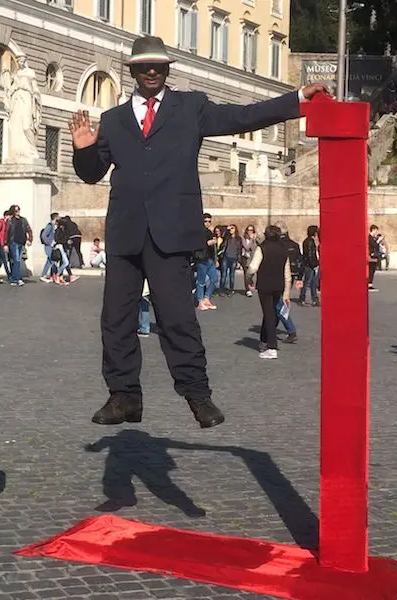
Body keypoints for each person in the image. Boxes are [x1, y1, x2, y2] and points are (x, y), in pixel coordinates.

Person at [69, 35, 329, 428]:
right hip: (125, 233)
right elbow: (91, 173)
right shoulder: (113, 120)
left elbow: (243, 116)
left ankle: (197, 393)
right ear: (133, 71)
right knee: (115, 319)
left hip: (171, 233)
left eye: (158, 65)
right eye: (144, 66)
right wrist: (84, 148)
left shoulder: (191, 108)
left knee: (177, 318)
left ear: (168, 68)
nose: (152, 71)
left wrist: (295, 100)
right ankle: (123, 397)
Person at [248, 225, 292, 360]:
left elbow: (253, 267)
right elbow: (287, 274)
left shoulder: (262, 248)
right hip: (278, 286)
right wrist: (287, 292)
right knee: (269, 312)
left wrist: (249, 277)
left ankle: (272, 347)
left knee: (269, 314)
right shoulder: (283, 250)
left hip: (265, 286)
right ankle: (264, 340)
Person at [5, 204, 32, 286]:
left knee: (18, 261)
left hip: (22, 242)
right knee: (16, 260)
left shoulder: (23, 220)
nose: (18, 212)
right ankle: (17, 279)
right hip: (14, 242)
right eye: (16, 211)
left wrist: (29, 239)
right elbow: (7, 233)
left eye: (18, 210)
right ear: (13, 211)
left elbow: (29, 230)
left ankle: (14, 279)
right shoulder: (10, 221)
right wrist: (5, 244)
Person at [299, 225, 320, 307]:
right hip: (310, 265)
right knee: (309, 282)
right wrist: (315, 264)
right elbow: (310, 255)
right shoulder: (310, 242)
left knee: (309, 282)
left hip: (307, 264)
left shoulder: (306, 241)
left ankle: (310, 299)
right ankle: (305, 298)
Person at [368, 224, 381, 291]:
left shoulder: (373, 237)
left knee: (372, 270)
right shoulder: (369, 237)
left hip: (374, 256)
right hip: (370, 256)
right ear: (373, 230)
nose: (376, 232)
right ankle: (369, 285)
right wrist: (378, 240)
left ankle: (370, 284)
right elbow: (374, 245)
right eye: (376, 230)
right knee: (371, 270)